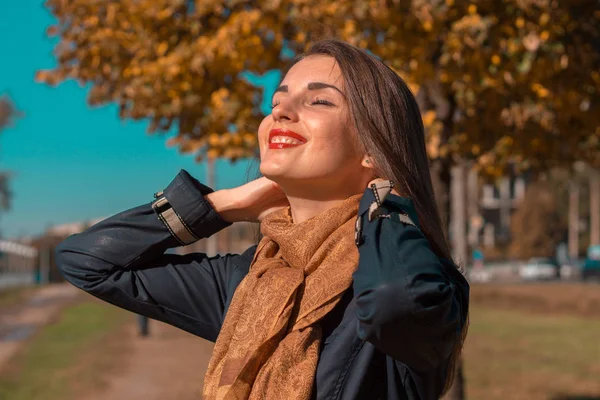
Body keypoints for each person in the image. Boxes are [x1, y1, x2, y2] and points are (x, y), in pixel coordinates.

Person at [55, 39, 469, 400]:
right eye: (276, 101)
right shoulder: (251, 279)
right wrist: (220, 206)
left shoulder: (427, 282)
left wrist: (384, 196)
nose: (281, 112)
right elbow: (86, 262)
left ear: (373, 150)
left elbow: (393, 303)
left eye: (319, 101)